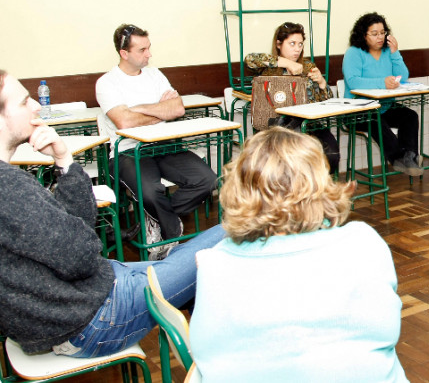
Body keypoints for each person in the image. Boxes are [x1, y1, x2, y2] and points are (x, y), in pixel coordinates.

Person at [0, 69, 225, 358]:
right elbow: (82, 255)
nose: (35, 106)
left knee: (199, 269)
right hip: (96, 317)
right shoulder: (9, 187)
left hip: (87, 296)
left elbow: (79, 228)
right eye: (23, 102)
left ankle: (211, 356)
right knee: (228, 234)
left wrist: (64, 160)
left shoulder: (9, 183)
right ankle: (222, 359)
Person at [189, 127, 408, 382]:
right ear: (319, 182)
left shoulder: (214, 263)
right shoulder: (364, 241)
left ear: (239, 188)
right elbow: (386, 326)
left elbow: (207, 352)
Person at [96, 24, 217, 259]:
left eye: (149, 47)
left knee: (207, 180)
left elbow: (178, 109)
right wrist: (160, 111)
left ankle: (156, 219)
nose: (149, 54)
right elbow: (124, 122)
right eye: (142, 50)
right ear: (124, 53)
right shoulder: (107, 82)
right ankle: (172, 233)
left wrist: (137, 109)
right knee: (151, 193)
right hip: (128, 151)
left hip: (164, 145)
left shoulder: (155, 74)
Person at [245, 21, 340, 174]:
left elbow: (327, 100)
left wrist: (322, 83)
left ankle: (317, 185)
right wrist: (285, 63)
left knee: (331, 154)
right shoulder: (269, 68)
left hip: (308, 124)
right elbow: (250, 59)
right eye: (292, 44)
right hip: (279, 127)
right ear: (279, 44)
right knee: (291, 161)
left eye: (300, 44)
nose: (297, 49)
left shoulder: (307, 66)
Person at [342, 12, 422, 177]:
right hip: (356, 111)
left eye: (382, 32)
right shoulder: (354, 53)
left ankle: (410, 157)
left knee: (410, 116)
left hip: (383, 107)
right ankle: (399, 158)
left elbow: (403, 77)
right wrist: (382, 82)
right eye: (374, 33)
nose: (380, 37)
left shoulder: (387, 52)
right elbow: (353, 81)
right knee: (375, 120)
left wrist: (395, 52)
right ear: (363, 35)